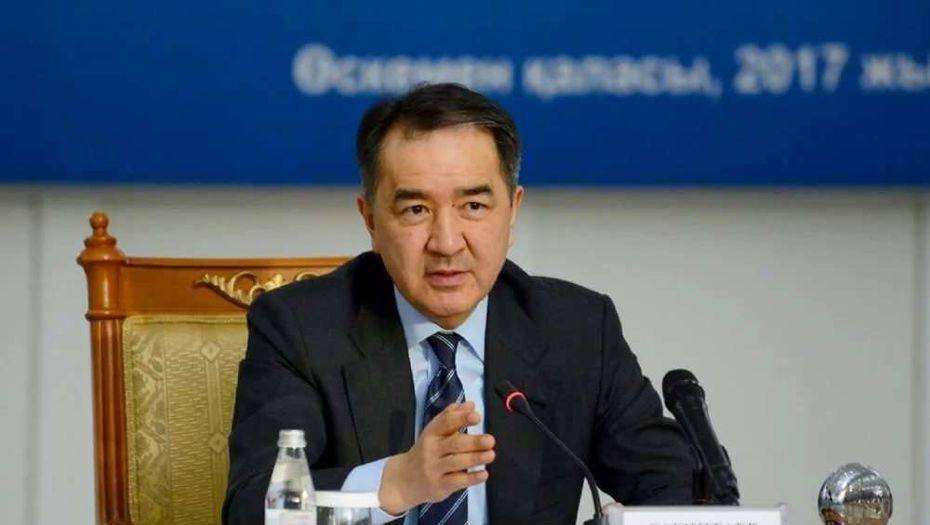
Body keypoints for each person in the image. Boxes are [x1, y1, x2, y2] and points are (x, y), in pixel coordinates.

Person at [223, 83, 693, 525]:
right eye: (416, 210)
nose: (447, 243)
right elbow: (251, 506)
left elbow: (675, 485)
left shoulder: (577, 329)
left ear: (513, 211)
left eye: (473, 207)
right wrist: (393, 484)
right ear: (370, 220)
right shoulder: (300, 328)